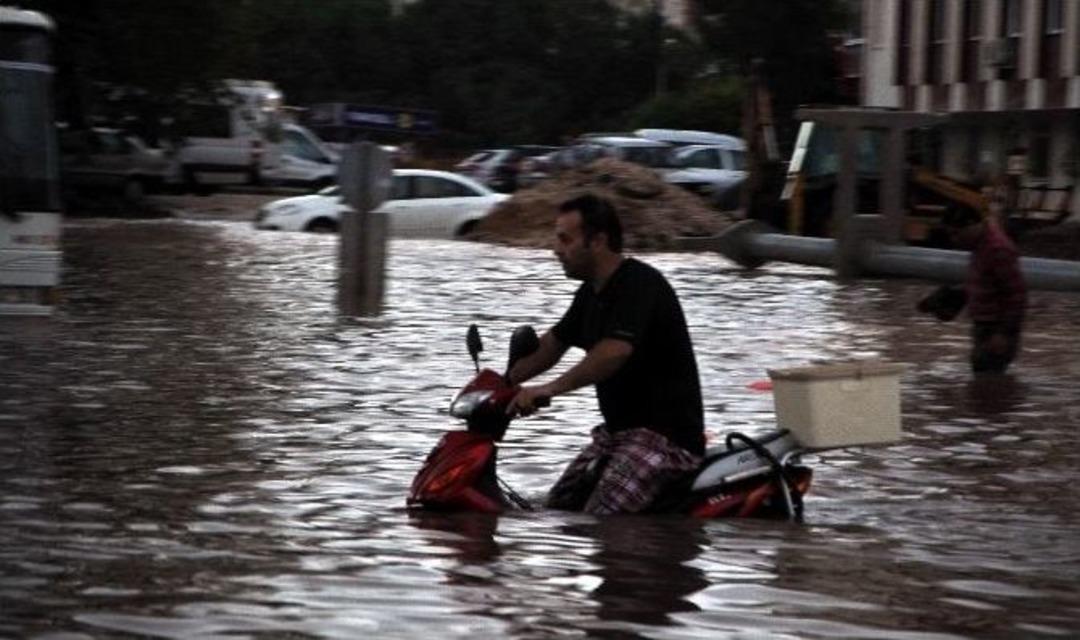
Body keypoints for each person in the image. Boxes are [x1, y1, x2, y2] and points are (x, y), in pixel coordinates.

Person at [507, 193, 705, 515]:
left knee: (601, 519)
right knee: (553, 509)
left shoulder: (639, 284)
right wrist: (502, 382)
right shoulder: (590, 293)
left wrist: (549, 389)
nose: (556, 249)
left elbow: (613, 352)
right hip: (616, 437)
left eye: (565, 239)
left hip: (664, 439)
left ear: (598, 241)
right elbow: (553, 344)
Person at [943, 207, 1027, 373]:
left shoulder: (998, 249)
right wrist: (959, 294)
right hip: (984, 326)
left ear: (972, 226)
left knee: (988, 376)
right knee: (983, 377)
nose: (954, 240)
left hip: (996, 328)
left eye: (957, 233)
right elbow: (987, 282)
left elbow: (1017, 294)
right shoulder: (979, 246)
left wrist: (1003, 333)